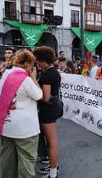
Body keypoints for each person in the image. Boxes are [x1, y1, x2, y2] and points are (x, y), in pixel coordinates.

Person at [0, 49, 42, 178]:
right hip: (25, 129)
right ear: (27, 64)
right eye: (32, 64)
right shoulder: (25, 79)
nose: (33, 68)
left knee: (7, 162)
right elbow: (39, 95)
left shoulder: (5, 74)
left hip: (6, 125)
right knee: (26, 163)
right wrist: (33, 78)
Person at [34, 46, 62, 178]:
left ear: (44, 60)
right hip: (50, 109)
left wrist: (34, 80)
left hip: (48, 110)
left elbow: (45, 97)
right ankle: (53, 166)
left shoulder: (49, 74)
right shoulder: (51, 72)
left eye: (38, 60)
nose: (36, 63)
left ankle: (53, 172)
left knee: (51, 141)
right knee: (51, 140)